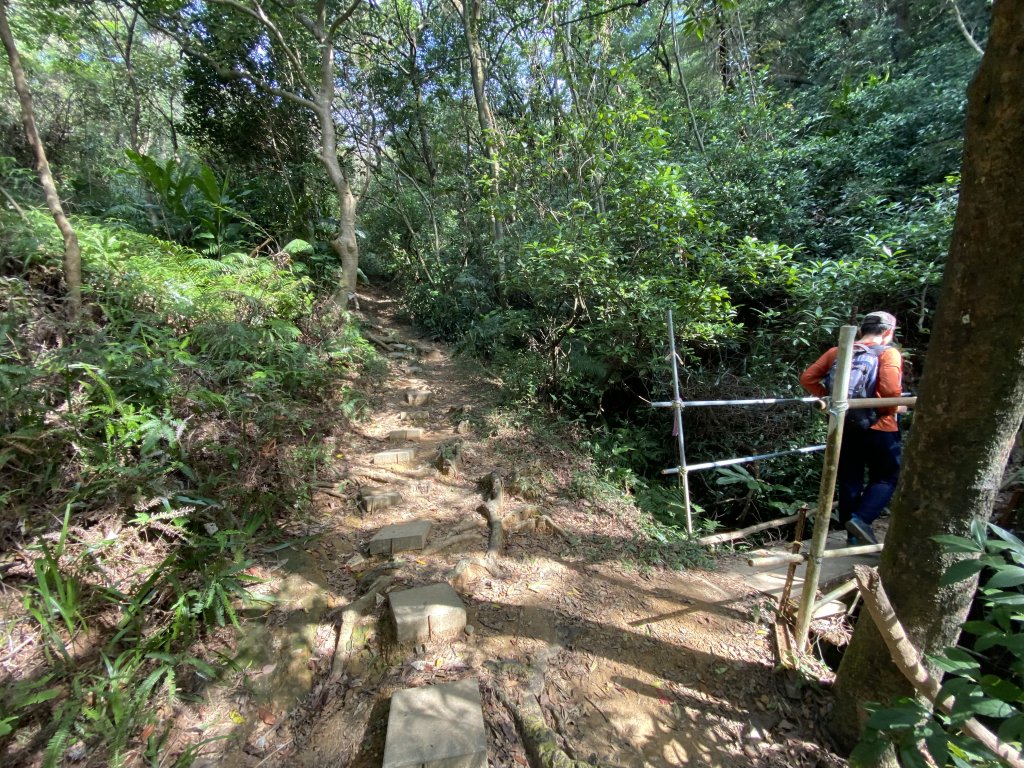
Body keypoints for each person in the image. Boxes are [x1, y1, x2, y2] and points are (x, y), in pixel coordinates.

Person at [799, 311, 903, 545]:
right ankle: (861, 520)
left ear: (862, 329)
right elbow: (890, 392)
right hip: (880, 425)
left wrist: (833, 400)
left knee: (850, 478)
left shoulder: (838, 351)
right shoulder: (889, 353)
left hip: (845, 424)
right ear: (888, 331)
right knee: (887, 476)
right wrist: (889, 410)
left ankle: (852, 537)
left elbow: (808, 378)